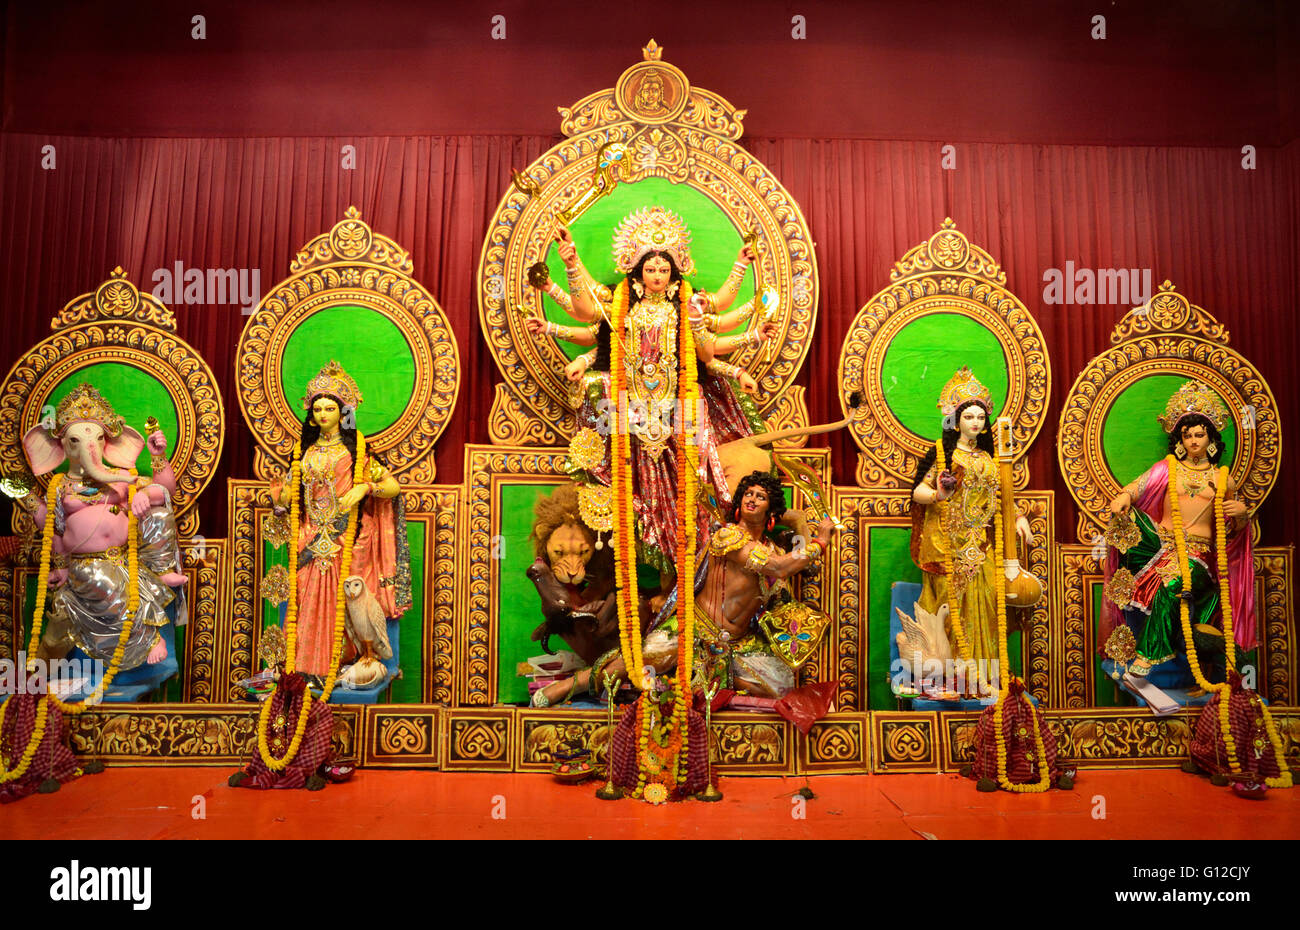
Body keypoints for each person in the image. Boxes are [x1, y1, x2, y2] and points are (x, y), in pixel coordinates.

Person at [524, 205, 776, 579]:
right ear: (638, 270)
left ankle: (695, 562)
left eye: (663, 269)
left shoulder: (688, 306)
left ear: (673, 272)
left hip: (679, 412)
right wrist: (571, 263)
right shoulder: (621, 304)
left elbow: (717, 324)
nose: (657, 275)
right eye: (650, 268)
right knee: (600, 391)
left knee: (689, 492)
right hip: (629, 413)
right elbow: (588, 318)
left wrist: (741, 273)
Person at [268, 361, 411, 682]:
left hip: (348, 537)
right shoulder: (303, 450)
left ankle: (350, 664)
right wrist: (281, 496)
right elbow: (291, 493)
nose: (322, 414)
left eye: (329, 408)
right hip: (309, 538)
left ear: (342, 411)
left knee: (350, 601)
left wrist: (364, 487)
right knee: (305, 598)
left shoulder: (356, 450)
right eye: (317, 408)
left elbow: (393, 487)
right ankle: (305, 668)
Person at [1102, 381, 1253, 679]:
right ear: (1180, 441)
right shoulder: (1167, 469)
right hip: (1160, 546)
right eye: (1187, 435)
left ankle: (1149, 655)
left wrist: (1242, 517)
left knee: (1174, 586)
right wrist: (1123, 496)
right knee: (1128, 520)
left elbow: (1231, 537)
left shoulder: (1224, 480)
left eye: (1200, 434)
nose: (1194, 440)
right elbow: (1137, 487)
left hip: (1199, 556)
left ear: (1210, 438)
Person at [910, 368, 1031, 672]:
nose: (976, 422)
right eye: (968, 417)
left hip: (982, 546)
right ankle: (951, 678)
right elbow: (918, 492)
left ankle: (983, 678)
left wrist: (1017, 517)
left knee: (988, 609)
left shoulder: (990, 458)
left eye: (980, 417)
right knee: (949, 612)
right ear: (956, 420)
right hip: (949, 545)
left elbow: (1001, 496)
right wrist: (937, 495)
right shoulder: (943, 455)